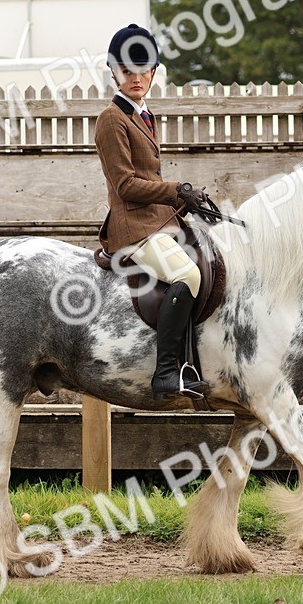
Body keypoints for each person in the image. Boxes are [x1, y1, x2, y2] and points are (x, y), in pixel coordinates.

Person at [94, 24, 210, 400]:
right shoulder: (111, 119)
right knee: (187, 274)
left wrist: (184, 201)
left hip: (157, 220)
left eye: (144, 70)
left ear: (155, 72)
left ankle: (194, 363)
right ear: (113, 72)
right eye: (128, 71)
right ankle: (165, 374)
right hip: (134, 229)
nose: (137, 78)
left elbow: (149, 177)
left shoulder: (144, 115)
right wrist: (176, 189)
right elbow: (126, 185)